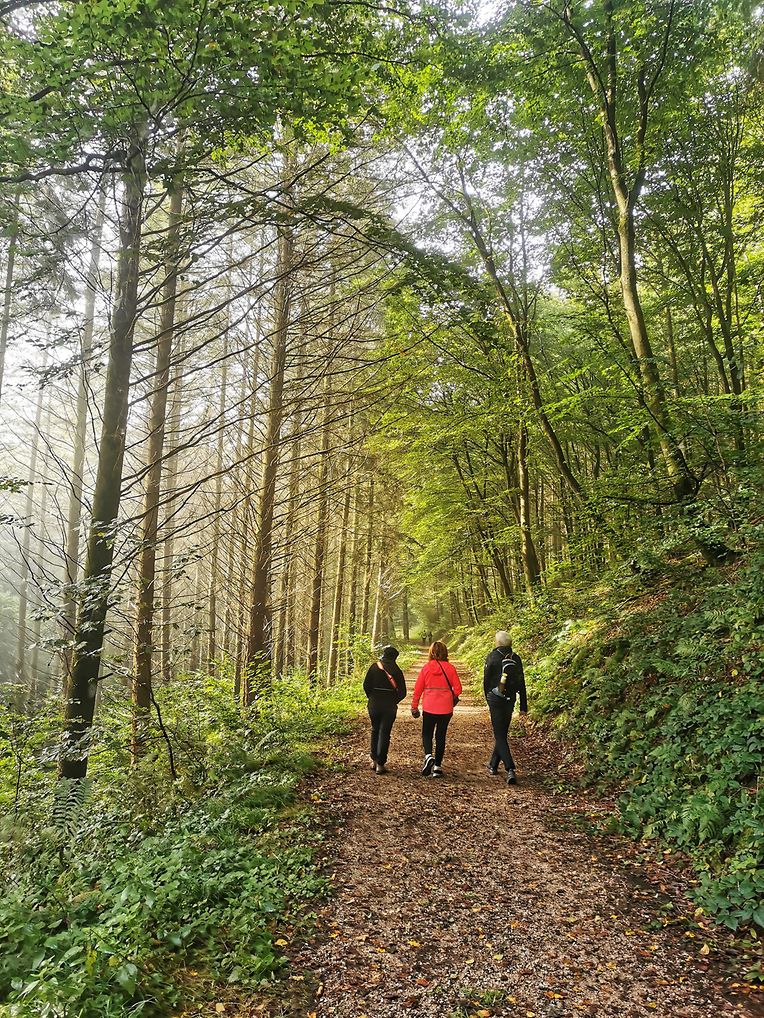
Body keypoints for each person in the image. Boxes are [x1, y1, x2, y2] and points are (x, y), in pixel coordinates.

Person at [410, 641, 463, 778]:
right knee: (441, 735)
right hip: (445, 708)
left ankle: (428, 756)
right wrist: (449, 694)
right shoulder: (450, 668)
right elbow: (458, 689)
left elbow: (418, 689)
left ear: (431, 653)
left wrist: (414, 706)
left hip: (429, 707)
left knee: (426, 733)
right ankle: (437, 767)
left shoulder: (426, 668)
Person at [483, 630, 527, 785]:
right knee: (502, 733)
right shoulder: (516, 658)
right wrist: (523, 705)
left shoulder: (492, 656)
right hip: (510, 699)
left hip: (495, 699)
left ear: (498, 642)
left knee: (499, 735)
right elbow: (521, 682)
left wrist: (488, 698)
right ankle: (493, 764)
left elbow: (486, 680)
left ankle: (510, 768)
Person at [363, 645, 407, 775]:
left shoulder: (374, 667)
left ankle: (374, 760)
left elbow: (366, 685)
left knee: (375, 730)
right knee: (385, 733)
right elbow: (403, 692)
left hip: (374, 704)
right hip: (389, 706)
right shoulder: (397, 671)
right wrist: (394, 700)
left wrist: (371, 697)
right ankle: (381, 764)